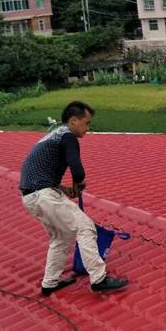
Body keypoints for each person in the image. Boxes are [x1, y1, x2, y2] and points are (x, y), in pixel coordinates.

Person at [19, 101, 128, 296]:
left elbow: (37, 175)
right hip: (44, 195)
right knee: (86, 228)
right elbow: (77, 170)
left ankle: (50, 283)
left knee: (61, 237)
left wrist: (64, 189)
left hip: (30, 197)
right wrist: (78, 185)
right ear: (73, 120)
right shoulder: (68, 136)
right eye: (86, 123)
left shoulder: (51, 136)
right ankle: (99, 279)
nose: (88, 128)